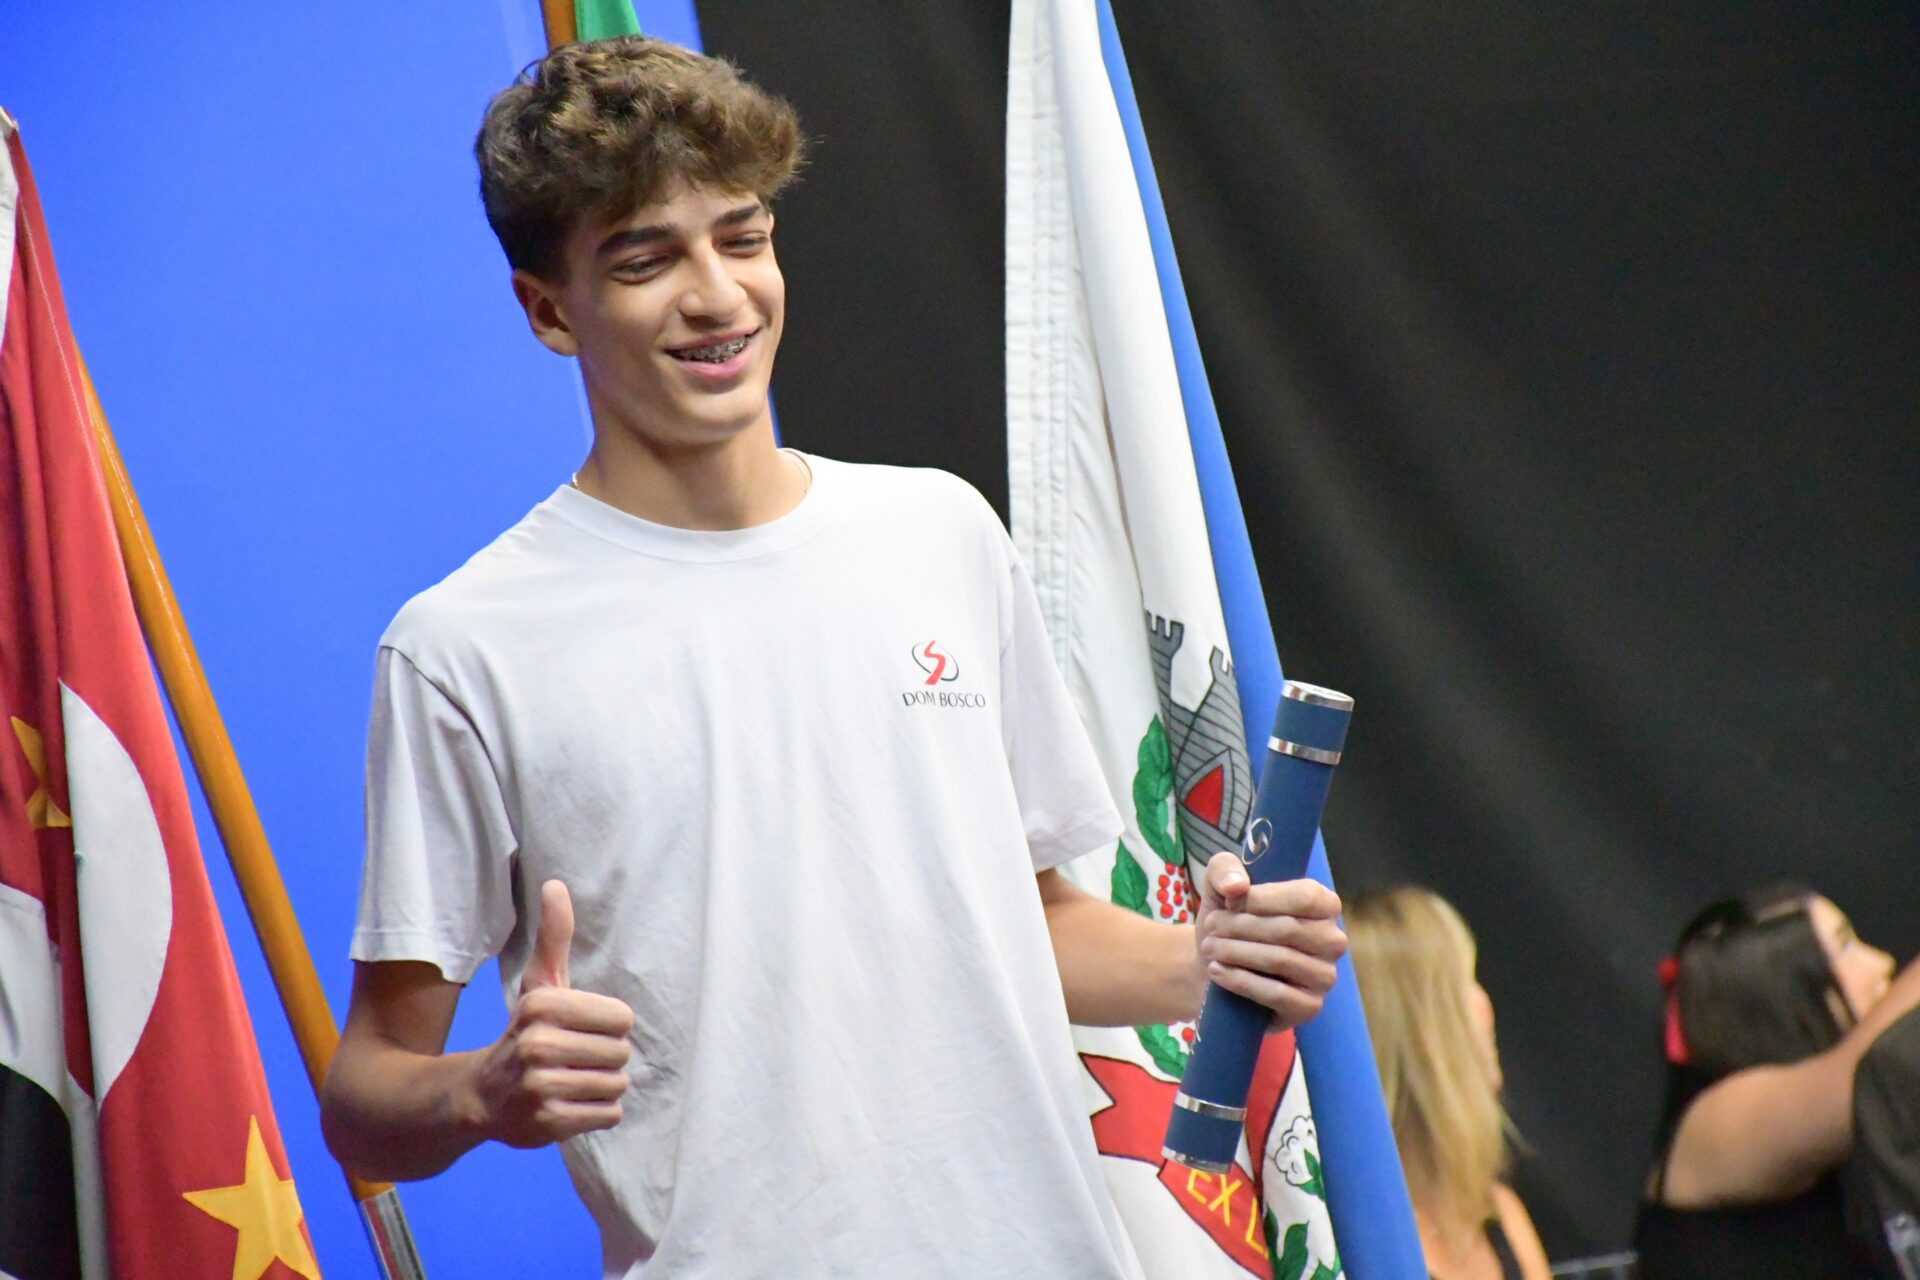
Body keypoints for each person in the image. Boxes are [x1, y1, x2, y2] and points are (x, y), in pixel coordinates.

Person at [315, 36, 1349, 1280]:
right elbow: (366, 1094)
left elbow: (1029, 922)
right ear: (548, 310)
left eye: (742, 238)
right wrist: (484, 1089)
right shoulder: (464, 645)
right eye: (647, 259)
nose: (717, 295)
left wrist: (1207, 962)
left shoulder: (942, 532)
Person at [1633, 883, 1920, 1280]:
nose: (1882, 962)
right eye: (1844, 948)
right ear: (1776, 992)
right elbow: (1856, 1079)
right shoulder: (1713, 1127)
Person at [1345, 886, 1551, 1280]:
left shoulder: (1498, 1212)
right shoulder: (1347, 1246)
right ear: (1418, 1031)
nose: (1485, 1002)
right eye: (1463, 981)